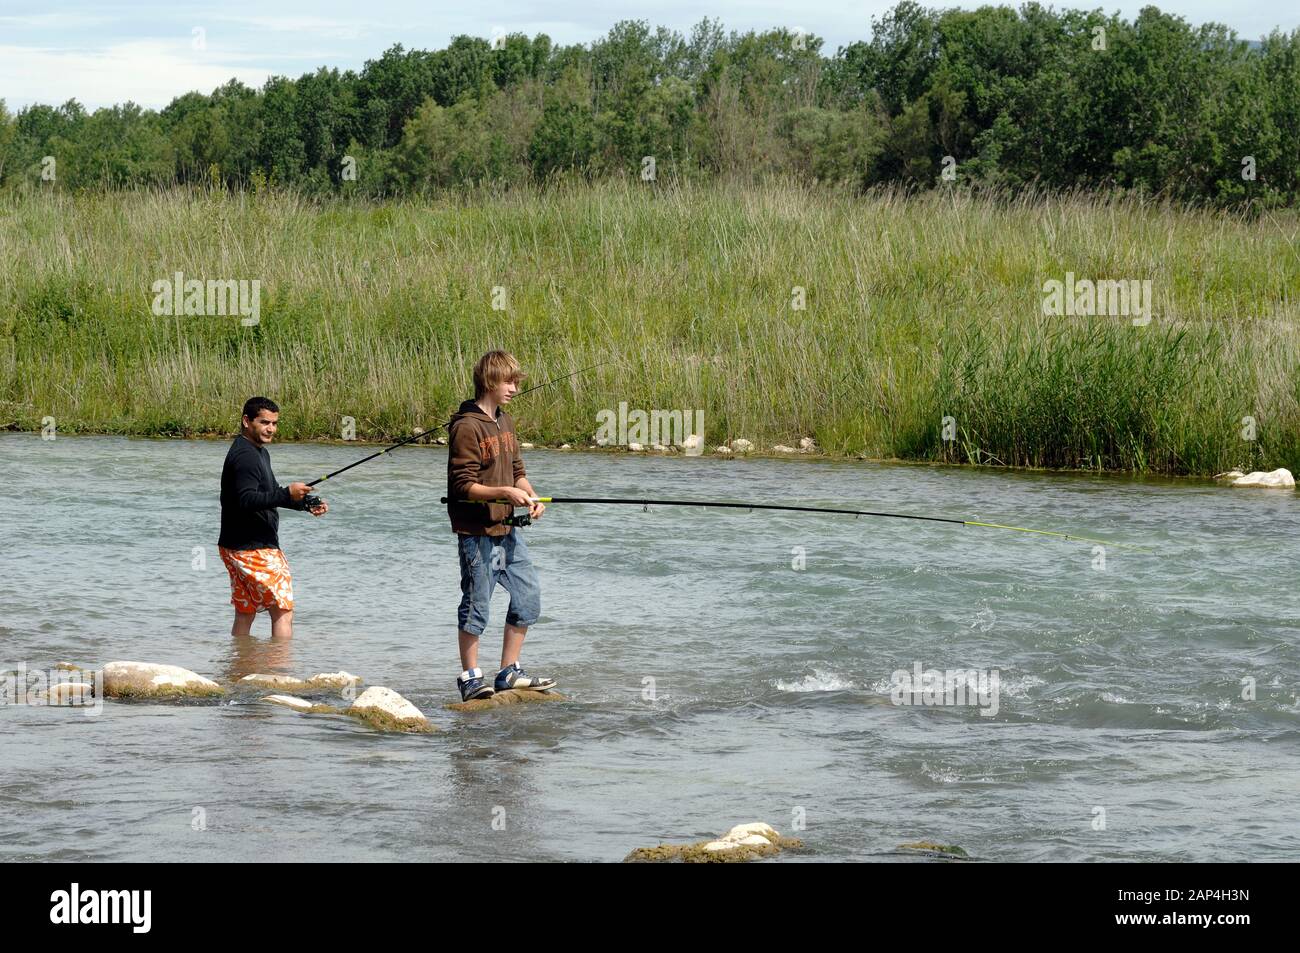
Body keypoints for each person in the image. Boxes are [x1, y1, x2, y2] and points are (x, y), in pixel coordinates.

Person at [446, 351, 555, 701]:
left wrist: (532, 497)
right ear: (490, 382)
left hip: (509, 531)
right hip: (476, 534)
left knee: (528, 598)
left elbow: (518, 472)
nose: (514, 388)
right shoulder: (466, 426)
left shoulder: (505, 421)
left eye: (516, 382)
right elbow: (462, 486)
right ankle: (470, 677)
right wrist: (503, 492)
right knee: (477, 605)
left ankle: (509, 671)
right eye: (509, 382)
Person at [218, 396, 327, 639]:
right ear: (247, 421)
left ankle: (239, 665)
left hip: (234, 546)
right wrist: (286, 492)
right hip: (254, 549)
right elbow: (245, 500)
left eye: (275, 423)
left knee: (245, 611)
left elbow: (268, 494)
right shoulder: (245, 456)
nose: (271, 429)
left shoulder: (258, 452)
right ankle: (280, 672)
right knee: (282, 610)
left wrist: (304, 504)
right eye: (265, 422)